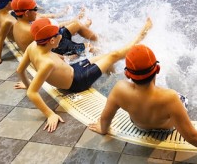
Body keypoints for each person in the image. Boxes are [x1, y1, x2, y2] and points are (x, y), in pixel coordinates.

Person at [88, 44, 197, 154]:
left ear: (127, 74)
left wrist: (102, 128)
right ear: (158, 70)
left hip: (139, 125)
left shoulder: (119, 89)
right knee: (182, 98)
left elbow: (105, 118)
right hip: (166, 126)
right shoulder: (170, 98)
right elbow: (191, 135)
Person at [16, 17, 153, 132]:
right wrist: (50, 114)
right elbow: (32, 93)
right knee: (113, 55)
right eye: (59, 34)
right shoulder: (47, 64)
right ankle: (140, 37)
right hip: (78, 81)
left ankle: (111, 73)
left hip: (73, 69)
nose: (62, 35)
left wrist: (28, 84)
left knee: (105, 56)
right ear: (52, 41)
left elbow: (20, 70)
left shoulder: (33, 45)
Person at [11, 0, 98, 54]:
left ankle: (98, 40)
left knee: (77, 24)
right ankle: (105, 54)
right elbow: (47, 50)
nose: (37, 12)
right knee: (89, 47)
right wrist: (70, 57)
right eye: (35, 9)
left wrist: (74, 21)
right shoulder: (29, 31)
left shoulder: (19, 23)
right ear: (26, 13)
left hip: (52, 41)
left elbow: (55, 28)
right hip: (55, 48)